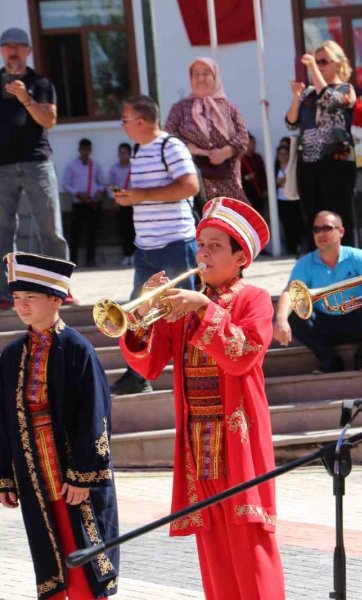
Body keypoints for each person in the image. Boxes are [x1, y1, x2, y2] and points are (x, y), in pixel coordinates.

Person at [118, 198, 285, 599]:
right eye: (201, 245)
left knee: (251, 542)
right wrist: (144, 312)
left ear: (240, 257)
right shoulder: (186, 304)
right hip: (198, 442)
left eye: (214, 246)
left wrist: (206, 309)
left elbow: (244, 354)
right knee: (213, 550)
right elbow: (150, 363)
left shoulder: (254, 298)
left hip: (238, 439)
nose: (203, 254)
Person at [0, 252, 119, 599]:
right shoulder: (10, 356)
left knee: (80, 546)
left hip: (71, 469)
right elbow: (4, 419)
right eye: (18, 299)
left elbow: (95, 414)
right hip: (32, 467)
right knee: (47, 550)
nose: (21, 306)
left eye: (30, 298)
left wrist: (84, 474)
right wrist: (5, 476)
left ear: (57, 299)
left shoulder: (78, 349)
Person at [110, 94, 200, 396]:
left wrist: (140, 195)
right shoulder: (138, 149)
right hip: (146, 246)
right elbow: (150, 192)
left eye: (124, 119)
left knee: (185, 308)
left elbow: (190, 186)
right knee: (139, 311)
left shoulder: (170, 146)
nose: (122, 125)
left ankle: (199, 366)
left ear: (142, 121)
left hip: (175, 242)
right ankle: (138, 373)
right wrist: (131, 198)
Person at [0, 27, 70, 309]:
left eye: (19, 46)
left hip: (37, 163)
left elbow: (49, 121)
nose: (13, 51)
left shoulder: (40, 83)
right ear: (2, 51)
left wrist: (25, 98)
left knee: (50, 229)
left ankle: (58, 288)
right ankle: (7, 293)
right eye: (8, 46)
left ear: (28, 51)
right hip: (2, 167)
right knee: (2, 231)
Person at [273, 211, 362, 372]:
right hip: (323, 325)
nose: (321, 233)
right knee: (293, 314)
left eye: (327, 228)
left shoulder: (357, 256)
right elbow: (290, 292)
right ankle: (330, 361)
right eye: (316, 230)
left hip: (357, 322)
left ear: (340, 231)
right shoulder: (305, 262)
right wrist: (280, 320)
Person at [286, 41, 358, 246]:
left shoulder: (346, 89)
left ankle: (347, 264)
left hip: (337, 161)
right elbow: (291, 123)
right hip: (308, 162)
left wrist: (312, 69)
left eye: (323, 61)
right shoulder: (308, 93)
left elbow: (330, 101)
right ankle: (315, 263)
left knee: (340, 214)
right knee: (311, 217)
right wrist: (295, 98)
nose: (318, 66)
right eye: (316, 62)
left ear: (338, 64)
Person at [165, 57, 249, 204]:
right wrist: (196, 150)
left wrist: (225, 152)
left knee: (233, 223)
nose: (200, 78)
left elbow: (243, 137)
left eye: (206, 73)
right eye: (196, 74)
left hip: (226, 181)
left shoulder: (230, 108)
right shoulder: (180, 109)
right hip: (193, 182)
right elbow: (169, 138)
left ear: (215, 77)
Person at [63, 138, 106, 268]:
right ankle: (73, 260)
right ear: (79, 150)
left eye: (87, 149)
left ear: (90, 150)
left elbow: (102, 183)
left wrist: (99, 191)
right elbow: (66, 184)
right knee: (75, 233)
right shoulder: (72, 166)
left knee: (92, 233)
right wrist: (77, 193)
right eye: (83, 149)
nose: (85, 152)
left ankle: (90, 259)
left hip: (92, 203)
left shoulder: (95, 165)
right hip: (78, 203)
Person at [107, 142, 135, 266]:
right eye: (121, 152)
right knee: (123, 230)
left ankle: (134, 254)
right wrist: (114, 198)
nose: (122, 155)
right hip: (120, 203)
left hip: (133, 203)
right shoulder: (114, 169)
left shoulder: (134, 168)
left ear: (130, 154)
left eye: (125, 153)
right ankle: (126, 254)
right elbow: (110, 185)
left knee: (134, 230)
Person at [274, 143, 303, 257]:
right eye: (280, 154)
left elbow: (292, 180)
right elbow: (275, 183)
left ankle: (299, 245)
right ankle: (290, 247)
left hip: (293, 198)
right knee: (286, 225)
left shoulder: (291, 167)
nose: (283, 156)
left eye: (285, 154)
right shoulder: (276, 167)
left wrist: (283, 181)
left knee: (297, 223)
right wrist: (283, 181)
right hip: (281, 199)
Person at [240, 133, 268, 220]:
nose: (252, 146)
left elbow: (263, 174)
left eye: (253, 144)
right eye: (250, 144)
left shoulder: (258, 158)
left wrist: (264, 189)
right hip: (247, 192)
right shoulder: (241, 159)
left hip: (258, 192)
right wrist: (246, 178)